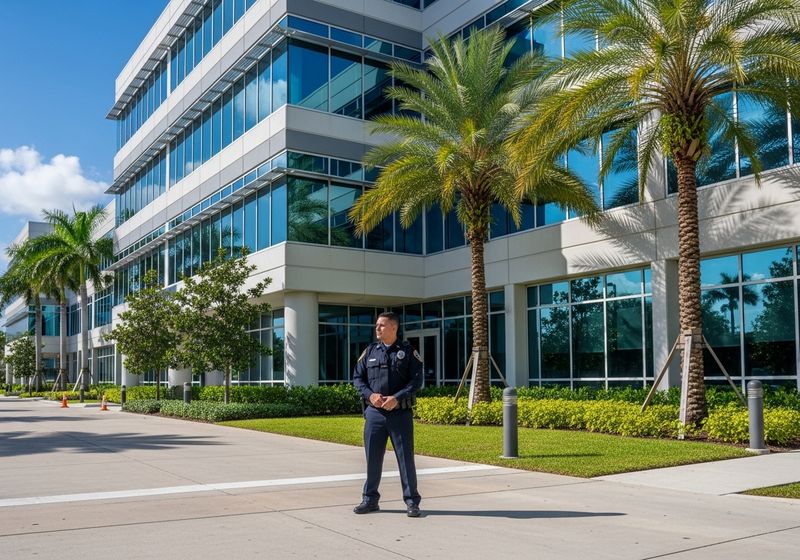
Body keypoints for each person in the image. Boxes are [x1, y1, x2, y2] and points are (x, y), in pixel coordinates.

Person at [352, 311, 423, 517]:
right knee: (372, 458)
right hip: (374, 414)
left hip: (400, 415)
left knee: (405, 459)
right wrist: (370, 395)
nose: (377, 329)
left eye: (381, 325)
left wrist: (397, 398)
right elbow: (358, 378)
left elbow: (416, 382)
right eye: (377, 325)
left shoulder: (408, 351)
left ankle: (412, 502)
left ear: (394, 327)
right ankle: (370, 499)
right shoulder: (370, 351)